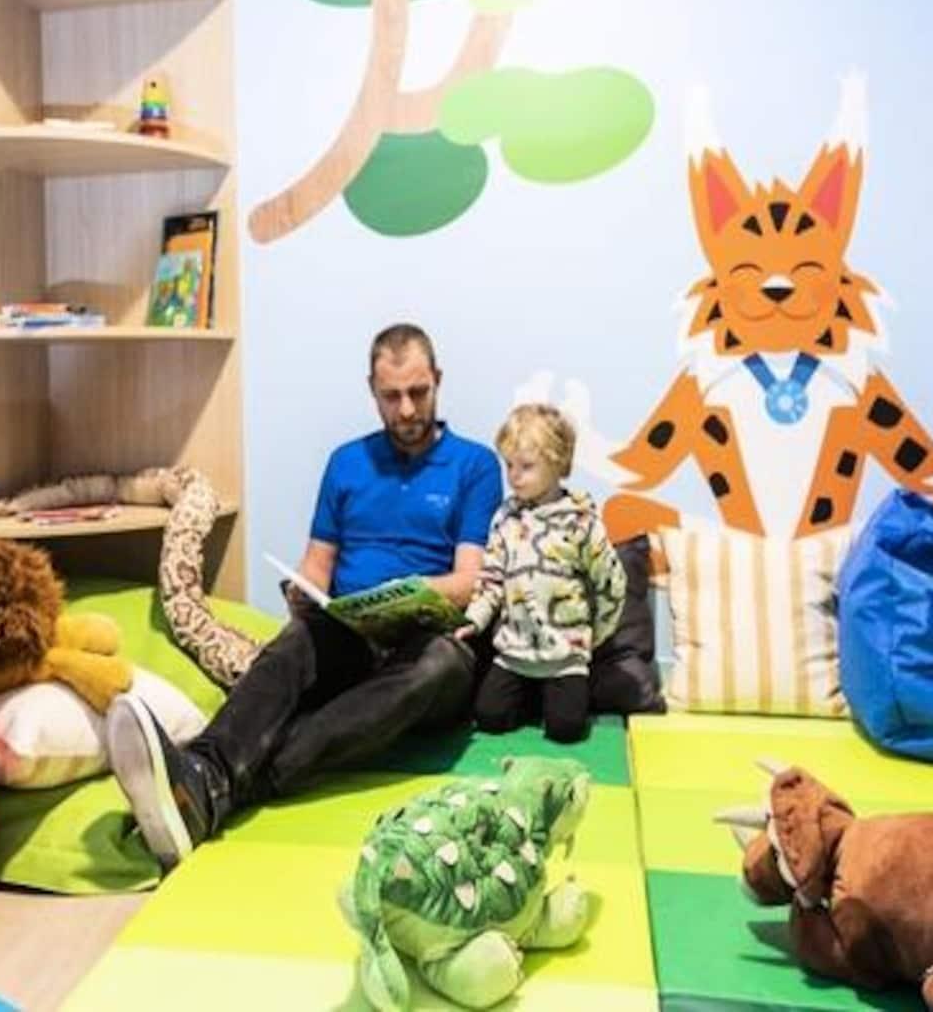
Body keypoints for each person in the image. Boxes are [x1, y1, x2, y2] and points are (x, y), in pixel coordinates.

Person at [105, 323, 502, 869]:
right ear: (372, 390)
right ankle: (203, 771)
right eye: (392, 396)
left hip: (429, 645)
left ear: (438, 380)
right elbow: (318, 563)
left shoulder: (475, 465)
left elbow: (468, 580)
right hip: (353, 633)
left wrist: (409, 593)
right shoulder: (346, 463)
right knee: (296, 642)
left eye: (418, 392)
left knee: (439, 662)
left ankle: (221, 788)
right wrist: (302, 590)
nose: (407, 409)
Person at [459, 402, 624, 744]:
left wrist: (595, 636)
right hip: (514, 653)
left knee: (566, 730)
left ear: (558, 464)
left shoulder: (580, 521)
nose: (513, 476)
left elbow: (611, 584)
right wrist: (474, 620)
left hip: (565, 656)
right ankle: (533, 695)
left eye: (526, 466)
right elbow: (491, 578)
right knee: (489, 718)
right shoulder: (505, 517)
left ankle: (557, 694)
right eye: (509, 465)